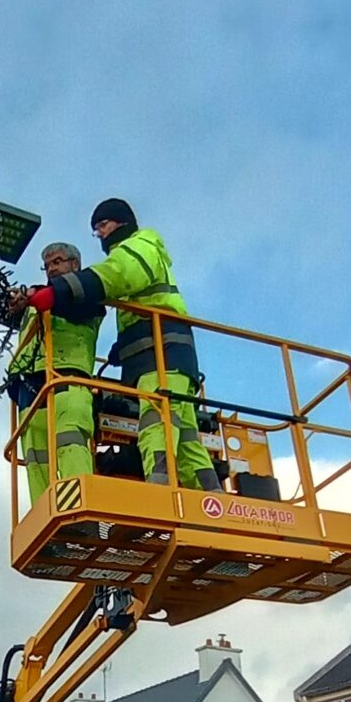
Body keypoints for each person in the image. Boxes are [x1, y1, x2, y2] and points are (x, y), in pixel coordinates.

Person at [27, 199, 221, 492]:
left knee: (156, 426)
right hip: (159, 355)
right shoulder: (136, 250)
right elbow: (143, 301)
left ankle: (160, 497)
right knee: (186, 438)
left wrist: (60, 291)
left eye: (102, 226)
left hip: (162, 354)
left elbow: (118, 274)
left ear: (121, 221)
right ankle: (214, 503)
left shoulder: (141, 245)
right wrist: (124, 344)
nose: (100, 235)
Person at [0, 237, 104, 504]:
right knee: (36, 459)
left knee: (71, 445)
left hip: (68, 380)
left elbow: (67, 299)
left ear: (75, 264)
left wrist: (31, 296)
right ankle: (47, 521)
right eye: (47, 265)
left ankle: (82, 513)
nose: (51, 269)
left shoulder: (88, 293)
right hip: (30, 389)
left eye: (57, 262)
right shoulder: (34, 303)